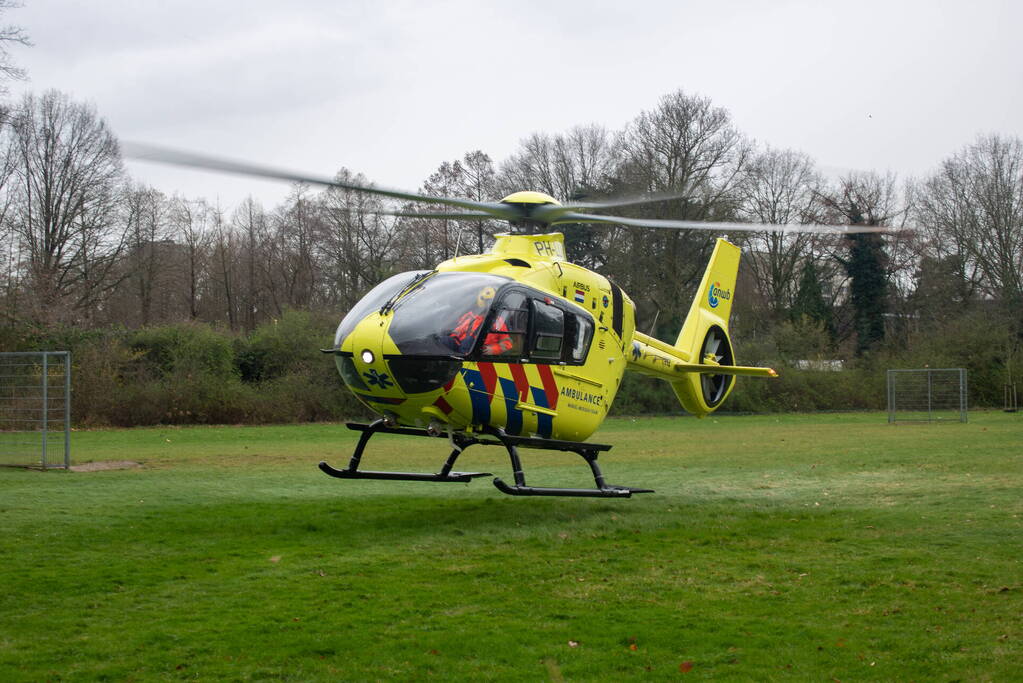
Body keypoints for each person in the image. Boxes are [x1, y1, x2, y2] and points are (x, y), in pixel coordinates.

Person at [449, 286, 513, 355]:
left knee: (468, 342)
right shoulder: (469, 316)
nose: (488, 304)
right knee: (447, 340)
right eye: (486, 301)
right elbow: (456, 333)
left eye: (490, 302)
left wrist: (493, 349)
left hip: (479, 353)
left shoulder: (498, 322)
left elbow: (507, 343)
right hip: (461, 350)